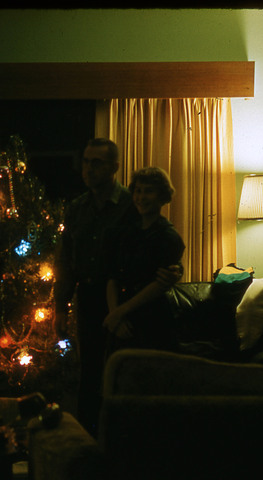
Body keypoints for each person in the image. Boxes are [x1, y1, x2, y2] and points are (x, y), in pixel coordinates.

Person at [53, 139, 180, 437]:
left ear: (114, 167)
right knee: (90, 374)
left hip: (126, 299)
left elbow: (155, 243)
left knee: (123, 375)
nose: (89, 168)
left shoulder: (131, 203)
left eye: (97, 162)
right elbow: (65, 261)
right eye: (86, 161)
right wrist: (61, 306)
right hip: (90, 296)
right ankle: (87, 444)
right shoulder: (76, 209)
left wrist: (175, 268)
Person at [102, 167, 185, 357]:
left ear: (162, 196)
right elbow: (113, 276)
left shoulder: (169, 236)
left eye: (149, 191)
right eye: (138, 191)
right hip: (121, 320)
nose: (141, 197)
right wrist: (116, 316)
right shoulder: (126, 232)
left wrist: (118, 313)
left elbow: (159, 284)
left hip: (152, 320)